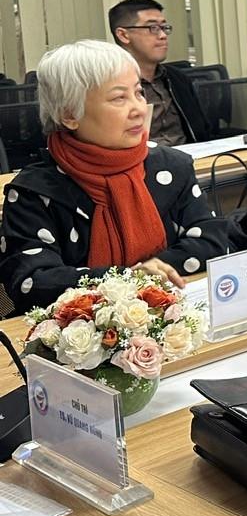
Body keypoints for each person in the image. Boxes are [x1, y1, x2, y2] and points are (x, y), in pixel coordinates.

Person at [0, 41, 229, 313]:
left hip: (170, 316)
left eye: (139, 93)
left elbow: (211, 241)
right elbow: (32, 281)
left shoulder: (171, 167)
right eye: (119, 98)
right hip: (78, 329)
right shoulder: (35, 191)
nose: (140, 109)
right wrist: (128, 279)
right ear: (69, 114)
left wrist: (153, 272)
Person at [108, 0, 212, 146]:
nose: (163, 35)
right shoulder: (109, 85)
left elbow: (203, 132)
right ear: (124, 35)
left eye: (164, 28)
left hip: (192, 155)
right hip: (143, 158)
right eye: (153, 28)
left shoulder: (178, 79)